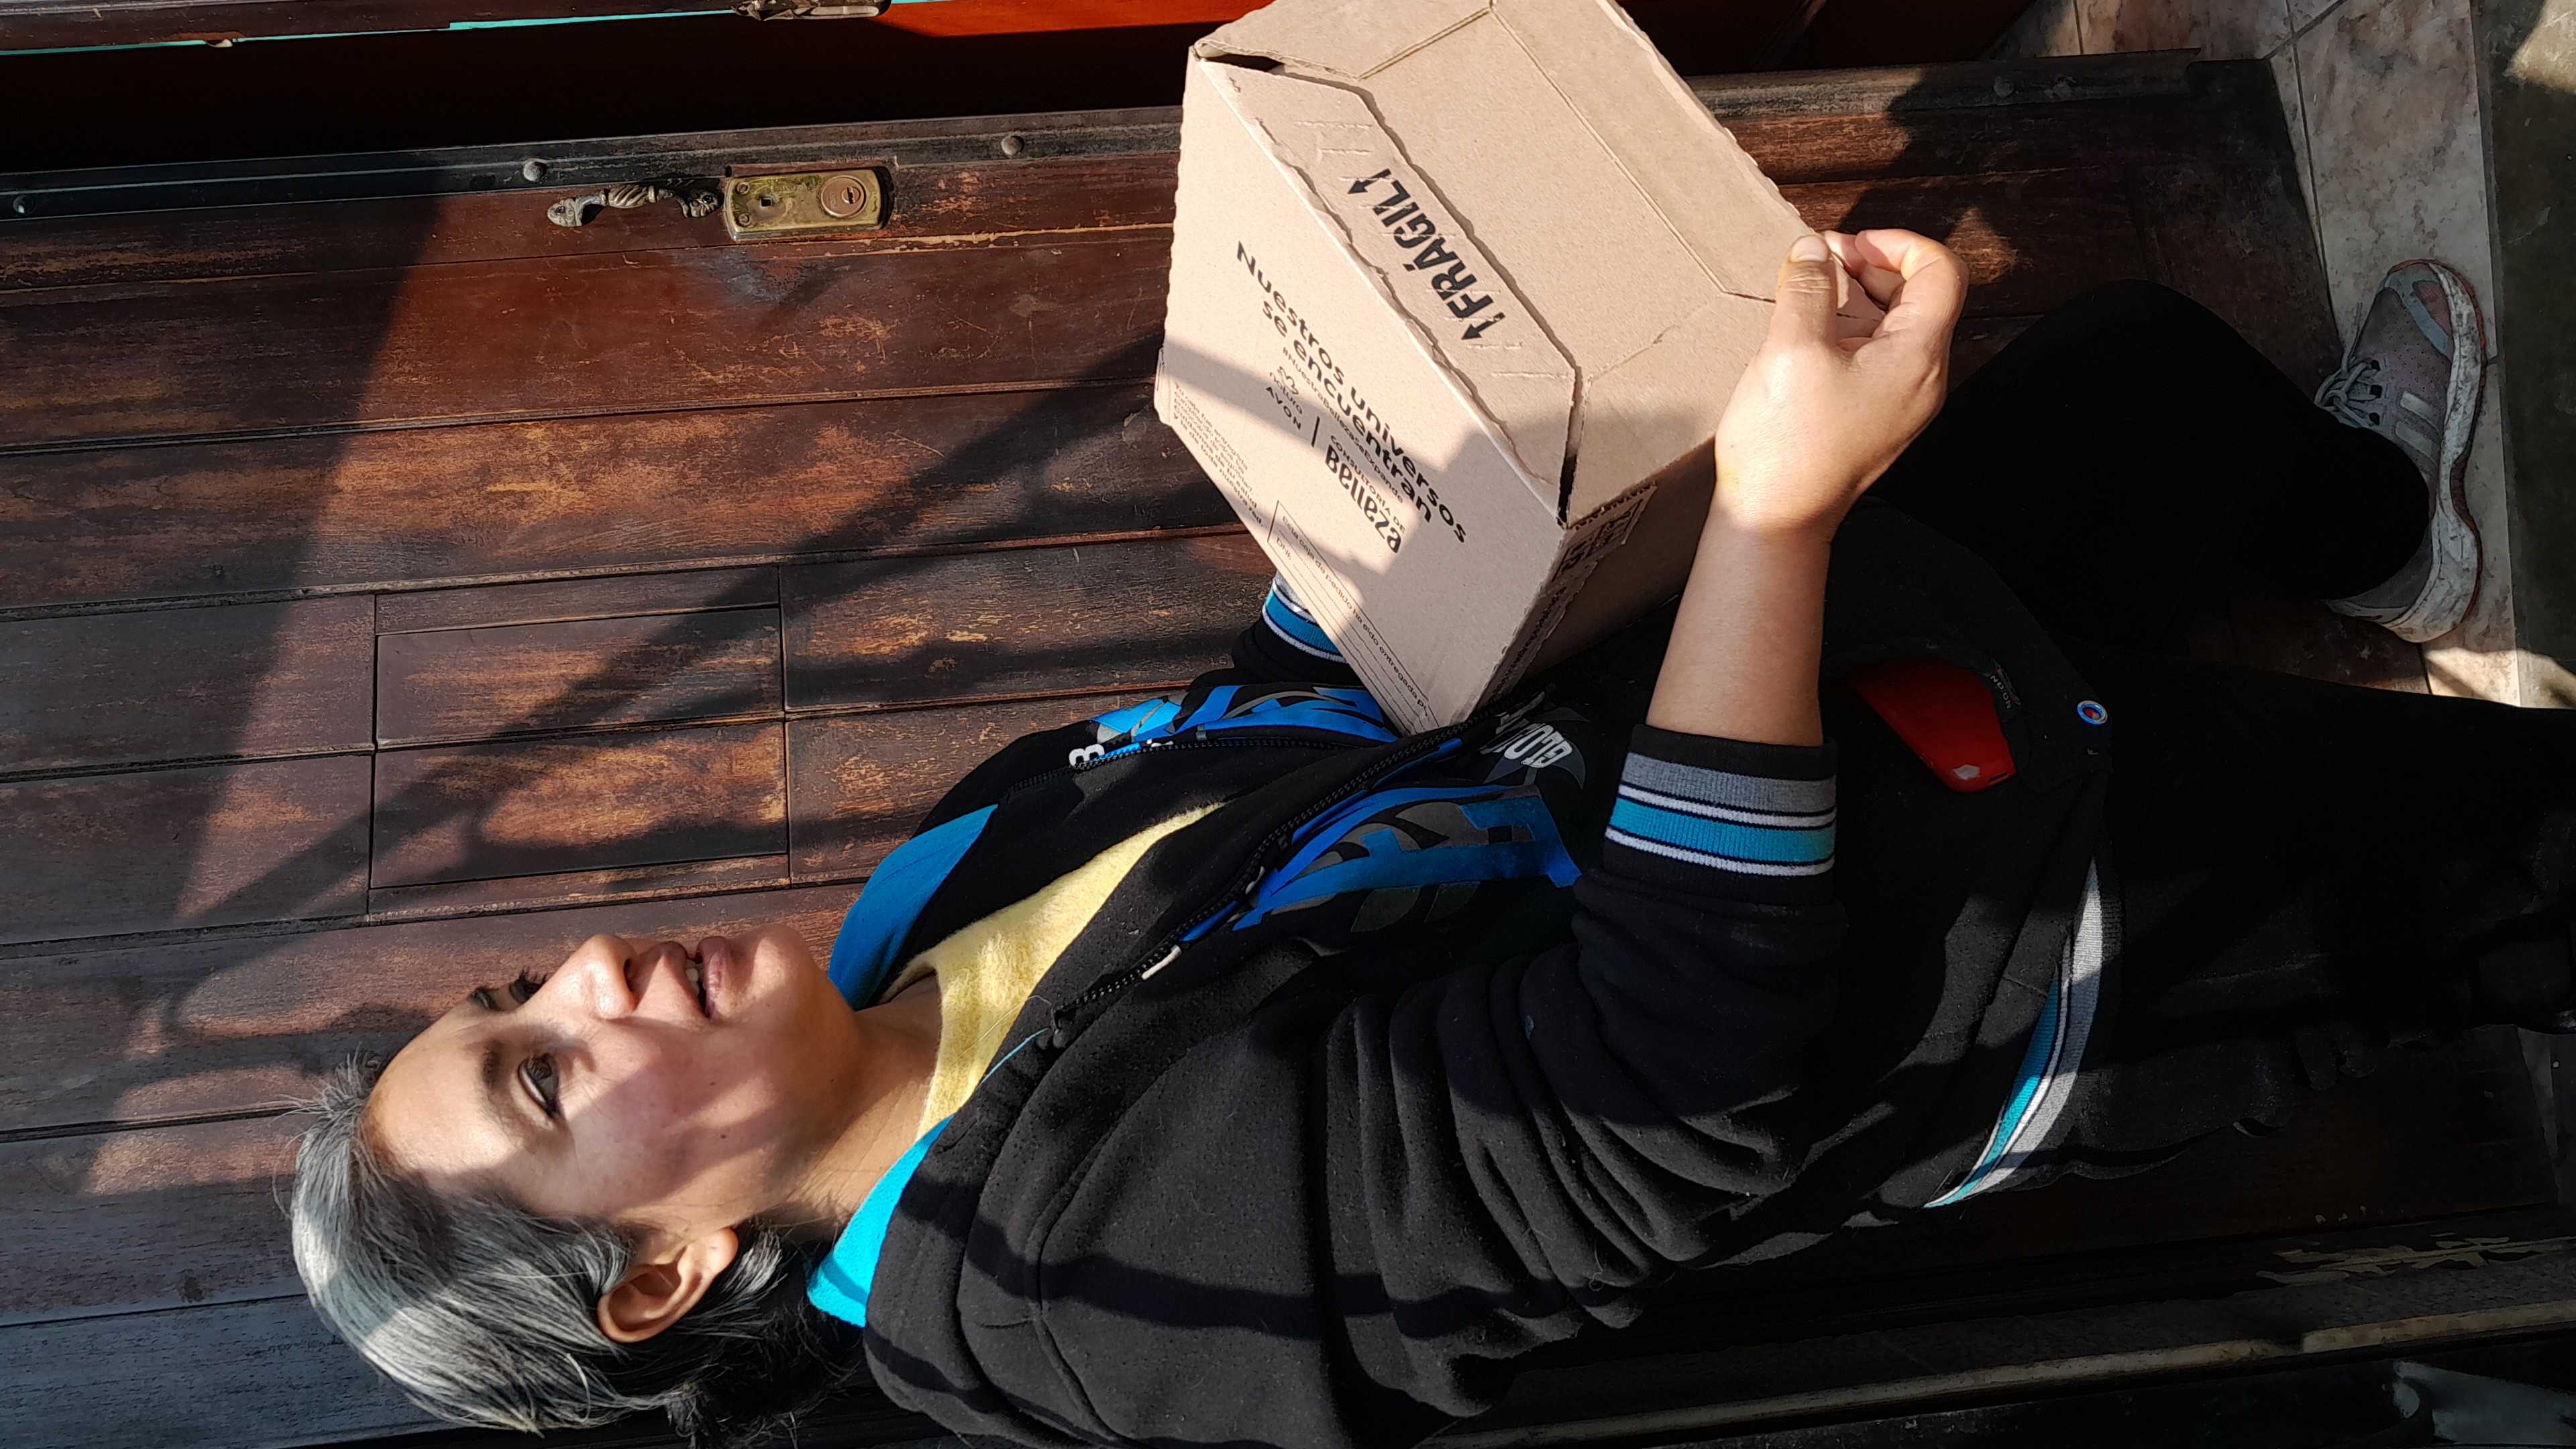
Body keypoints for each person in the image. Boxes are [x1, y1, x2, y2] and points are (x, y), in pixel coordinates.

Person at [290, 231, 2570, 1449]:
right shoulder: (1092, 1295)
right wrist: (1771, 509)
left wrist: (1414, 490)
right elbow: (1669, 1068)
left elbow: (1277, 726)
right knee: (2515, 857)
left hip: (1734, 687)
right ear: (663, 1280)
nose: (585, 972)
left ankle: (2383, 539)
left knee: (2139, 381)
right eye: (547, 1076)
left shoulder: (920, 916)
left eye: (511, 994)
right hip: (1994, 939)